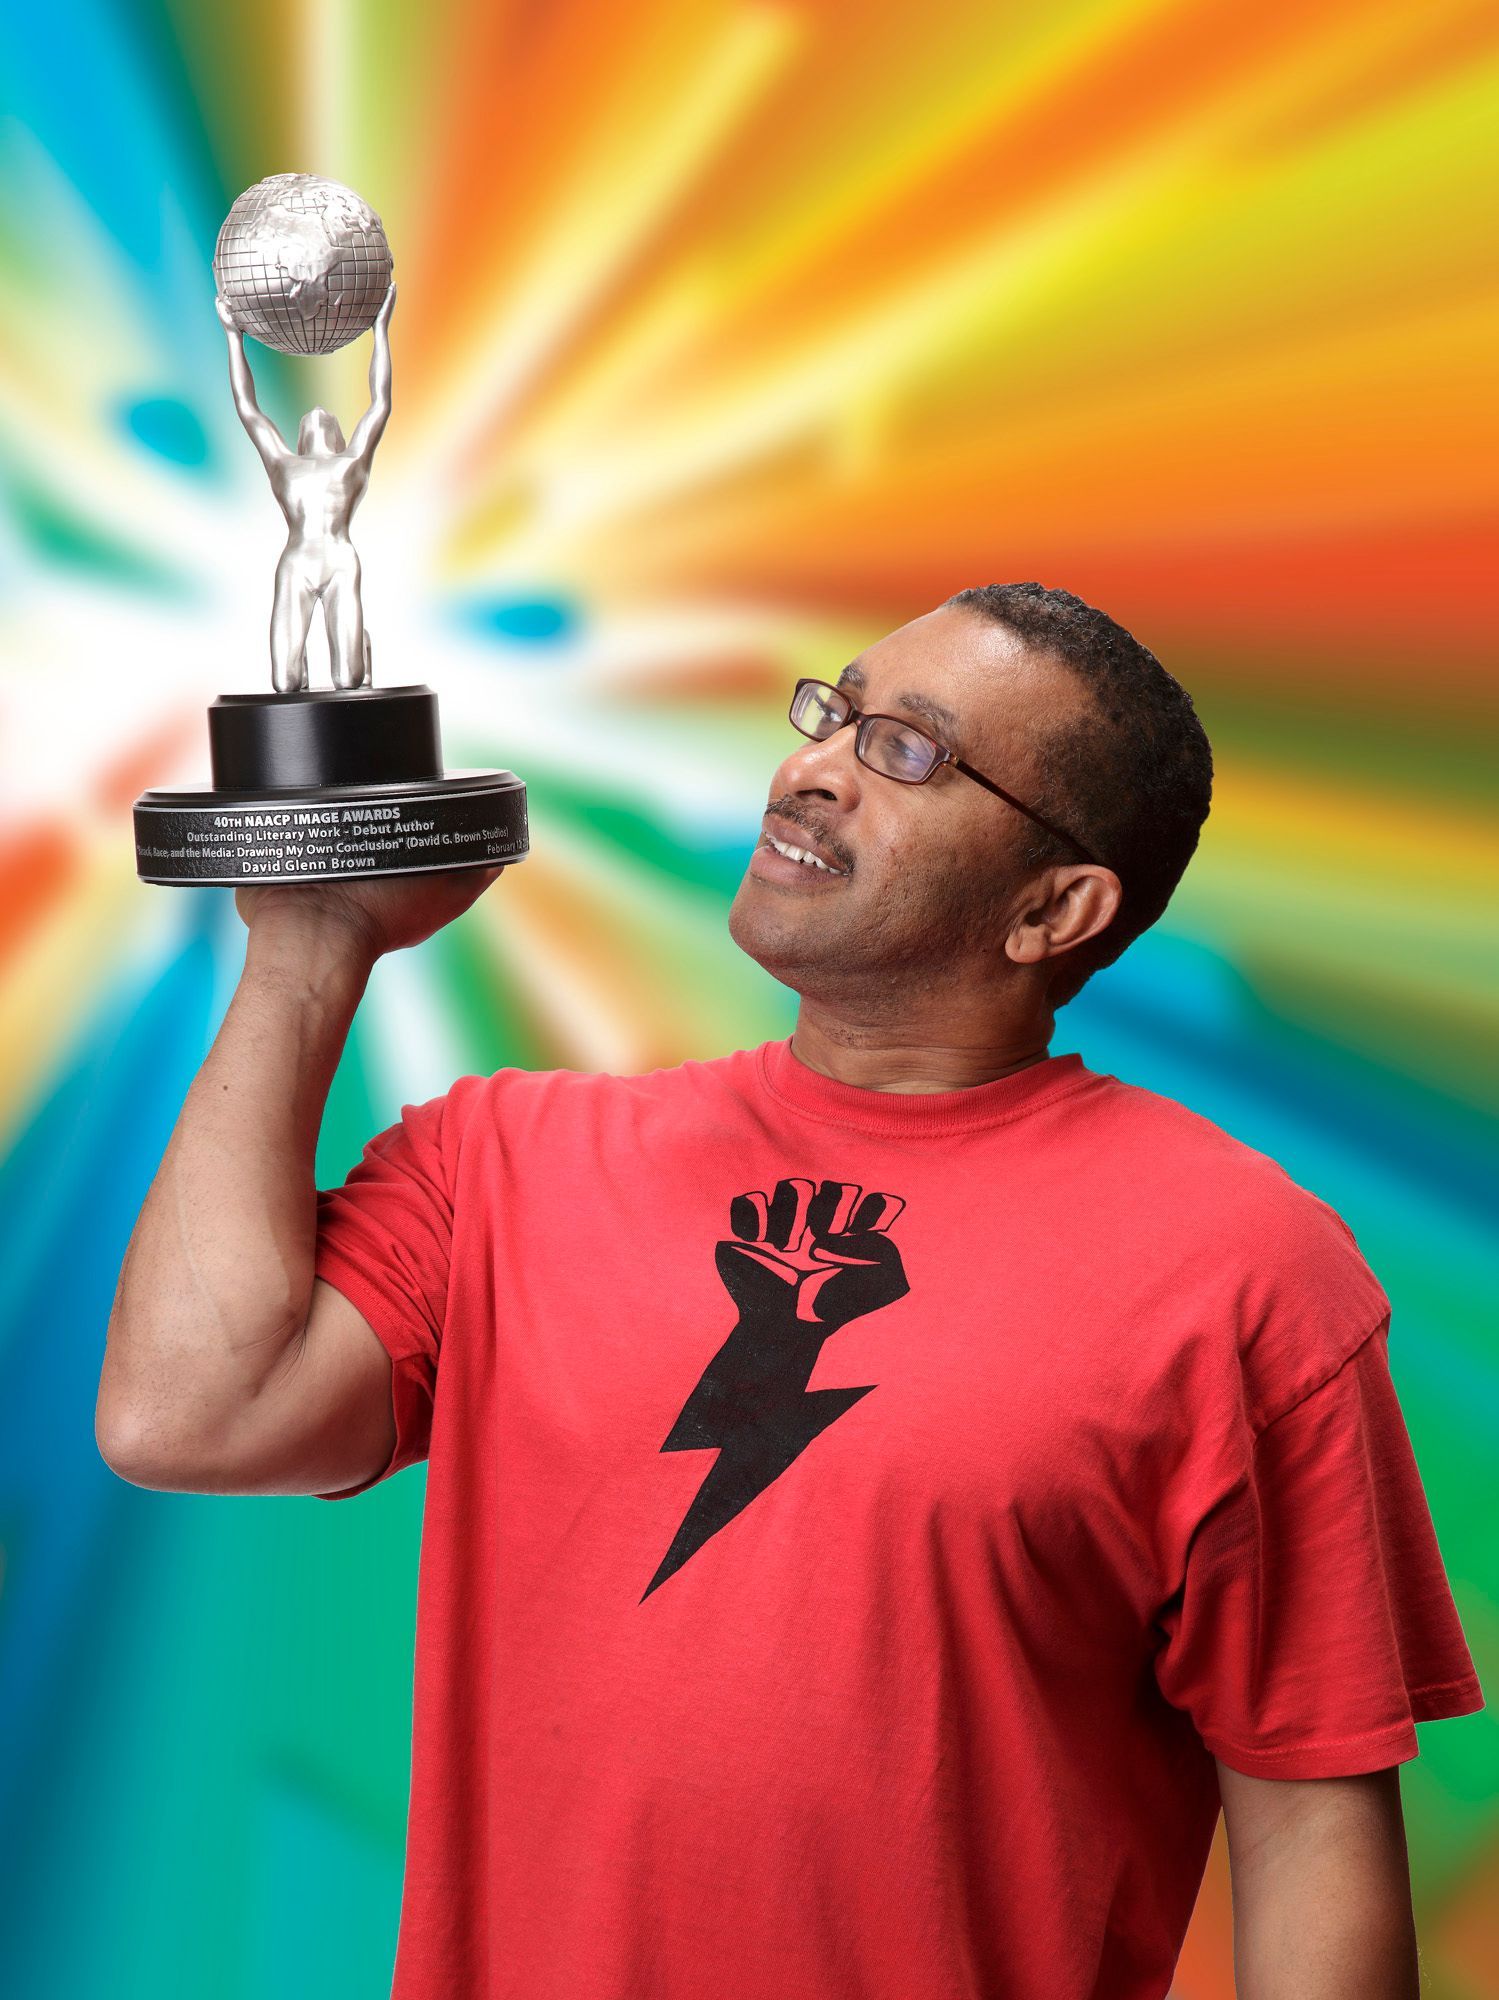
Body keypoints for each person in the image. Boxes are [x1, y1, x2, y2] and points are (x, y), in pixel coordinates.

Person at [97, 582, 1483, 2000]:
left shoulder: (1241, 1271)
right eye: (833, 710)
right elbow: (189, 1413)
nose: (813, 768)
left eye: (907, 753)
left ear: (1051, 907)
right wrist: (310, 947)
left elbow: (1310, 1830)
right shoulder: (505, 1159)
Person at [214, 280, 396, 693]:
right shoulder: (283, 464)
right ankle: (305, 665)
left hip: (340, 561)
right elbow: (247, 408)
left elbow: (380, 403)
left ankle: (359, 647)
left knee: (350, 680)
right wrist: (232, 336)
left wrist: (381, 328)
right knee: (285, 684)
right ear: (298, 437)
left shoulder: (353, 462)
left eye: (325, 415)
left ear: (339, 434)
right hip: (296, 564)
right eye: (310, 416)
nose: (316, 411)